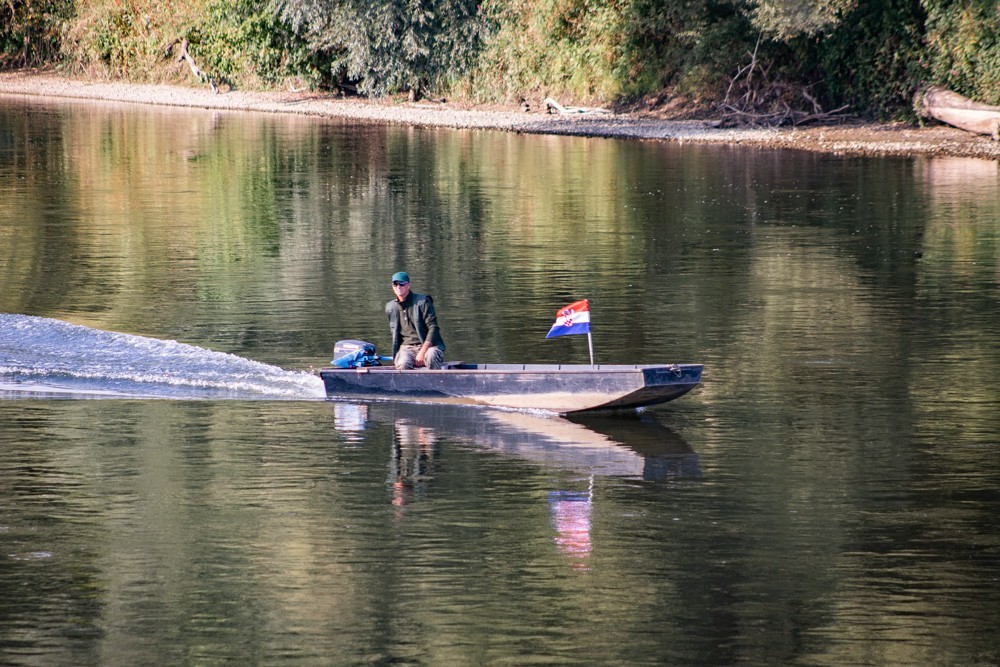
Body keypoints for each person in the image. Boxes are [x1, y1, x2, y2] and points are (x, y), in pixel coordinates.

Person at [385, 271, 445, 370]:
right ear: (392, 287)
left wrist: (423, 351)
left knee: (431, 355)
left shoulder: (423, 302)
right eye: (395, 284)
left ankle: (436, 379)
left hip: (429, 346)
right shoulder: (390, 307)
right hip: (406, 348)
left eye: (402, 284)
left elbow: (433, 327)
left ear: (408, 285)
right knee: (403, 363)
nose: (398, 287)